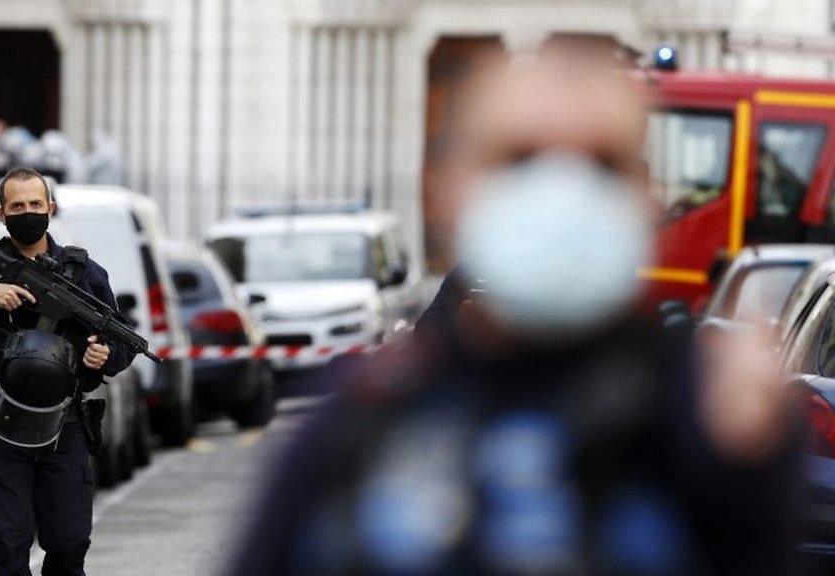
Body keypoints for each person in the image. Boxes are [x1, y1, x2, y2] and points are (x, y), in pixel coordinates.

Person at [227, 48, 800, 576]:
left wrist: (750, 475)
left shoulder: (710, 425)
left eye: (602, 165)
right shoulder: (357, 428)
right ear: (447, 190)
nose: (562, 191)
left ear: (645, 196)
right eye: (520, 160)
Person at [0, 167, 135, 576]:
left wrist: (105, 356)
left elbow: (120, 338)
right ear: (0, 213)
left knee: (67, 544)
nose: (27, 212)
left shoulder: (83, 273)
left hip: (66, 426)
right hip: (1, 426)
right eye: (18, 206)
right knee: (6, 549)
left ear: (51, 208)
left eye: (35, 204)